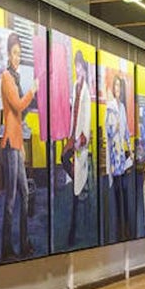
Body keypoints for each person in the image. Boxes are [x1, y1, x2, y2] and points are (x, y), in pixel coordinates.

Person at [0, 33, 38, 260]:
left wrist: (22, 146)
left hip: (16, 144)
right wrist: (33, 90)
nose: (17, 57)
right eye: (15, 53)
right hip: (9, 145)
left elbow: (19, 117)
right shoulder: (6, 77)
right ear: (8, 54)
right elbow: (18, 105)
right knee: (12, 199)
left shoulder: (14, 77)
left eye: (20, 54)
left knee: (24, 194)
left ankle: (23, 243)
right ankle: (6, 247)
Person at [65, 50, 93, 247]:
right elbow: (73, 111)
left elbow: (87, 119)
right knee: (63, 159)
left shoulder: (86, 91)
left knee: (77, 192)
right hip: (72, 135)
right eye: (76, 66)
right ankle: (78, 181)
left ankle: (74, 233)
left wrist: (81, 140)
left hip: (80, 139)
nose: (77, 70)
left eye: (80, 67)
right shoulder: (75, 87)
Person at [105, 73, 131, 241]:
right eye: (115, 87)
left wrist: (130, 148)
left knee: (124, 191)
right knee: (116, 191)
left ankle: (125, 229)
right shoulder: (110, 107)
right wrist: (116, 127)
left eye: (119, 86)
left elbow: (127, 130)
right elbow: (108, 131)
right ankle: (118, 231)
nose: (118, 90)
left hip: (122, 153)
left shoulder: (121, 107)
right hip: (114, 154)